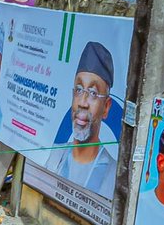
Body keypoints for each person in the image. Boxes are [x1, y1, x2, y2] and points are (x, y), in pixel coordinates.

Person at [49, 42, 118, 197]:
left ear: (106, 107)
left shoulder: (113, 173)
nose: (83, 103)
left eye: (93, 93)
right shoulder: (55, 155)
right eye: (79, 90)